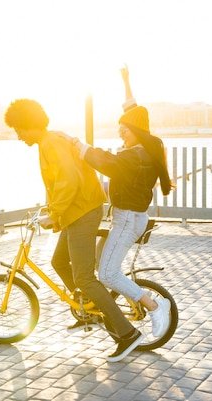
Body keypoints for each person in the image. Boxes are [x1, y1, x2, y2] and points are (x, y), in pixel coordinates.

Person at [4, 98, 145, 362]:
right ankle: (88, 310)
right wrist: (53, 212)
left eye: (18, 129)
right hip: (76, 210)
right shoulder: (50, 141)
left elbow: (68, 182)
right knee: (58, 261)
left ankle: (127, 334)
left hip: (82, 211)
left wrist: (53, 214)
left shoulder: (50, 143)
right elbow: (60, 183)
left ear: (28, 124)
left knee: (84, 278)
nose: (18, 135)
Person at [65, 66, 174, 338]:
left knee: (107, 275)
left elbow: (107, 163)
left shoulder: (135, 158)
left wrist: (78, 145)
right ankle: (91, 309)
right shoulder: (145, 146)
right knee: (96, 268)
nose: (120, 133)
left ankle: (153, 305)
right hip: (128, 218)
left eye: (124, 129)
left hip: (127, 221)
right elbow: (133, 110)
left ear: (136, 130)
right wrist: (126, 81)